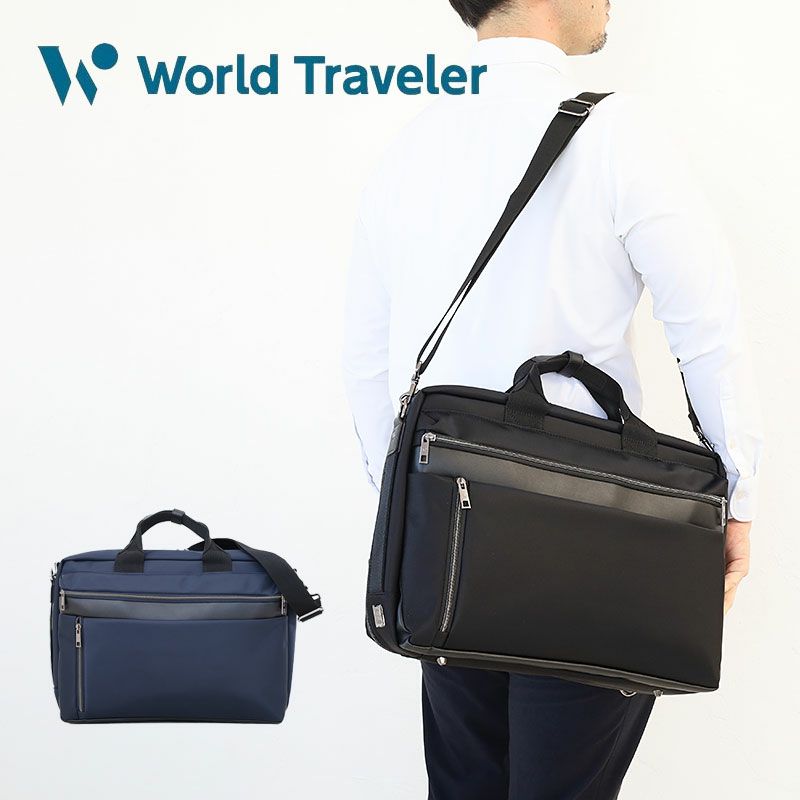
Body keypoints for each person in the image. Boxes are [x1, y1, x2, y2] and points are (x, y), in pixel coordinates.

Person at [341, 1, 764, 797]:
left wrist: (411, 508)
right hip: (591, 542)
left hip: (447, 543)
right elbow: (707, 330)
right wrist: (735, 496)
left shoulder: (412, 142)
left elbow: (367, 359)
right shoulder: (617, 132)